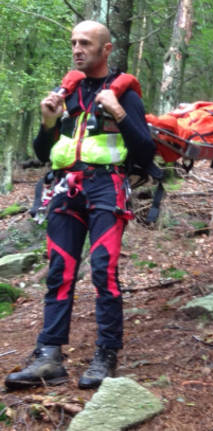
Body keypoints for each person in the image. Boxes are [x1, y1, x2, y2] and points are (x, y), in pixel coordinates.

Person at [4, 21, 155, 390]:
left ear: (106, 49)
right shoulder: (65, 93)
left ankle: (106, 354)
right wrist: (48, 121)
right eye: (73, 42)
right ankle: (48, 357)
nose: (76, 49)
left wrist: (118, 112)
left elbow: (146, 150)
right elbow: (43, 154)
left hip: (107, 188)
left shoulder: (126, 95)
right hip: (65, 190)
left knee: (103, 271)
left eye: (85, 43)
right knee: (59, 272)